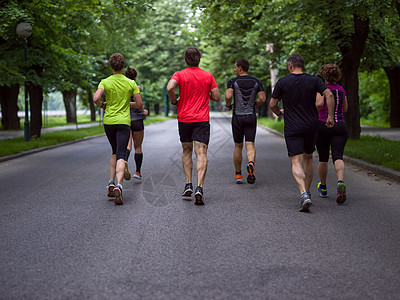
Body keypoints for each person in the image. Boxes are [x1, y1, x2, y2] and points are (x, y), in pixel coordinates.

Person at [269, 54, 335, 212]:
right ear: (302, 65)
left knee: (296, 161)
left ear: (290, 65)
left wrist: (279, 112)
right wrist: (330, 116)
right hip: (311, 126)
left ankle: (303, 194)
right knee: (309, 158)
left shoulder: (283, 82)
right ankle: (308, 192)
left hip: (292, 127)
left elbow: (272, 103)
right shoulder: (314, 80)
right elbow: (329, 95)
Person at [166, 47, 220, 205]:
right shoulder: (208, 76)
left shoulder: (180, 74)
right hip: (201, 119)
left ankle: (188, 183)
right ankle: (199, 188)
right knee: (201, 152)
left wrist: (174, 100)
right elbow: (216, 97)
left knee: (187, 150)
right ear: (199, 59)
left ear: (185, 59)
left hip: (184, 119)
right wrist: (206, 92)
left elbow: (170, 87)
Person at [93, 53, 143, 205]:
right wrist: (129, 104)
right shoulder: (130, 83)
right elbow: (139, 104)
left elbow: (96, 98)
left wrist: (103, 105)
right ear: (123, 66)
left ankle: (110, 182)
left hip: (108, 122)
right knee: (122, 153)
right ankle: (119, 186)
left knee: (114, 152)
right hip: (123, 122)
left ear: (111, 66)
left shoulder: (105, 82)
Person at [225, 58, 266, 184]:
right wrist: (253, 104)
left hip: (238, 117)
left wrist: (228, 105)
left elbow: (228, 95)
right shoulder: (256, 81)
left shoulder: (233, 81)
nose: (234, 69)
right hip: (250, 116)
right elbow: (263, 98)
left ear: (240, 68)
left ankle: (238, 175)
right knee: (250, 144)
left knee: (238, 146)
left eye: (235, 67)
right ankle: (251, 164)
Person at [315, 64, 348, 204]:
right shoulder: (342, 90)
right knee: (338, 156)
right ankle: (340, 182)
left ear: (324, 75)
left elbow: (318, 104)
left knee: (323, 158)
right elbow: (345, 108)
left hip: (323, 125)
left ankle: (323, 187)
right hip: (340, 126)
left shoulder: (321, 89)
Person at [123, 67, 148, 181]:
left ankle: (125, 162)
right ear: (135, 77)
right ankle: (137, 172)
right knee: (138, 147)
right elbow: (140, 103)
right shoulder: (136, 87)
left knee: (127, 146)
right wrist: (143, 112)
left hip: (126, 119)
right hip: (137, 120)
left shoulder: (122, 88)